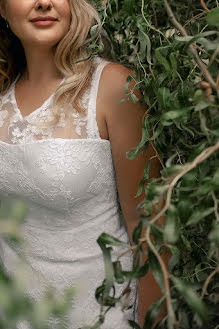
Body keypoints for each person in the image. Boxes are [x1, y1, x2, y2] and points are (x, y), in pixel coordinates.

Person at [0, 0, 163, 328]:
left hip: (102, 315)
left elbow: (149, 228)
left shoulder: (114, 87)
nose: (44, 3)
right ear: (2, 9)